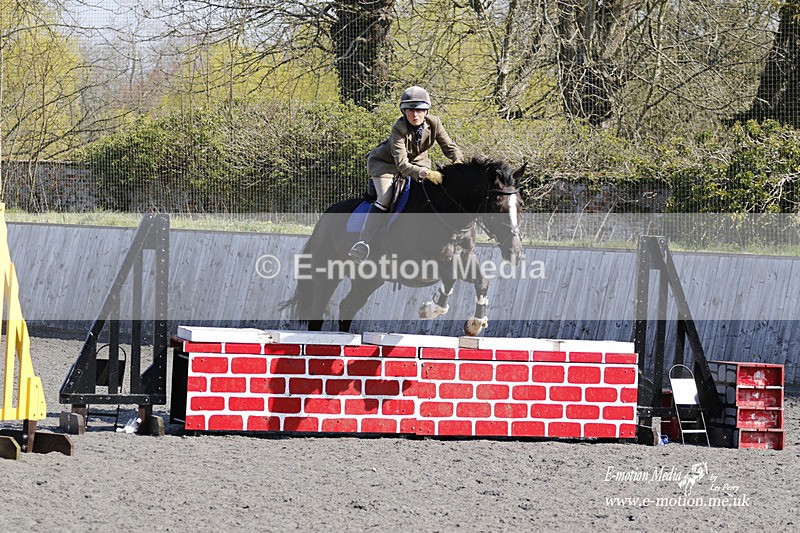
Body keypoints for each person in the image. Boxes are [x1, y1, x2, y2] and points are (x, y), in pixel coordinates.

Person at [348, 86, 463, 262]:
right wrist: (427, 173)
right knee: (386, 197)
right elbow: (402, 165)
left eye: (419, 110)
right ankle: (364, 243)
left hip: (417, 163)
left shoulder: (435, 123)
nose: (415, 114)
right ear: (403, 111)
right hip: (385, 165)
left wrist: (458, 164)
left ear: (426, 110)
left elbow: (450, 147)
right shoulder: (399, 129)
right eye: (410, 110)